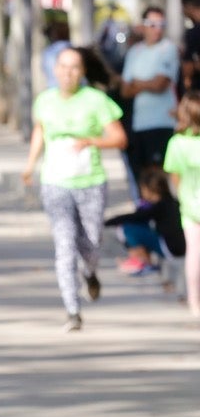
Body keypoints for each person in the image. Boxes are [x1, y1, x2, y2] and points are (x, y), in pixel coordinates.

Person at [21, 46, 127, 331]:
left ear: (82, 72)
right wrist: (30, 165)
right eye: (63, 66)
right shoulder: (44, 100)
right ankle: (72, 309)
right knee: (65, 243)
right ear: (54, 69)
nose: (68, 73)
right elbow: (40, 131)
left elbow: (119, 138)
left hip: (90, 182)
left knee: (91, 242)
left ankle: (89, 273)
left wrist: (91, 142)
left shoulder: (96, 100)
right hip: (55, 183)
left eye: (74, 67)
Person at [120, 7, 179, 198]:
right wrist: (148, 83)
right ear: (143, 26)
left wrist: (138, 82)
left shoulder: (168, 49)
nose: (157, 29)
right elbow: (125, 90)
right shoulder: (134, 52)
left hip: (163, 122)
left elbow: (160, 84)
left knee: (161, 175)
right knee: (143, 176)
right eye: (153, 24)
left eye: (162, 25)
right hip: (140, 124)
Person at [105, 166, 183, 284]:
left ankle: (142, 261)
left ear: (148, 189)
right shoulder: (173, 202)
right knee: (142, 225)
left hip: (169, 248)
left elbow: (135, 217)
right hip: (180, 247)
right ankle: (141, 259)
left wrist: (108, 221)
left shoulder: (157, 206)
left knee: (126, 228)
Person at [161, 91, 200, 318]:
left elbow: (173, 176)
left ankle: (195, 302)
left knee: (194, 253)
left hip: (189, 204)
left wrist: (180, 195)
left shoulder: (176, 143)